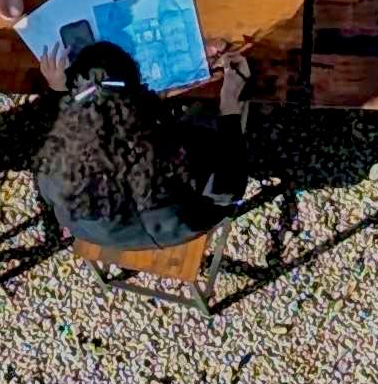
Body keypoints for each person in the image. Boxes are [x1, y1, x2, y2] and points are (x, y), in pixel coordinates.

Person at [30, 39, 252, 252]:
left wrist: (57, 90)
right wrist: (230, 98)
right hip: (180, 225)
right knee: (210, 116)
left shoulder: (55, 164)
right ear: (139, 100)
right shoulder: (177, 152)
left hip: (99, 232)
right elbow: (229, 188)